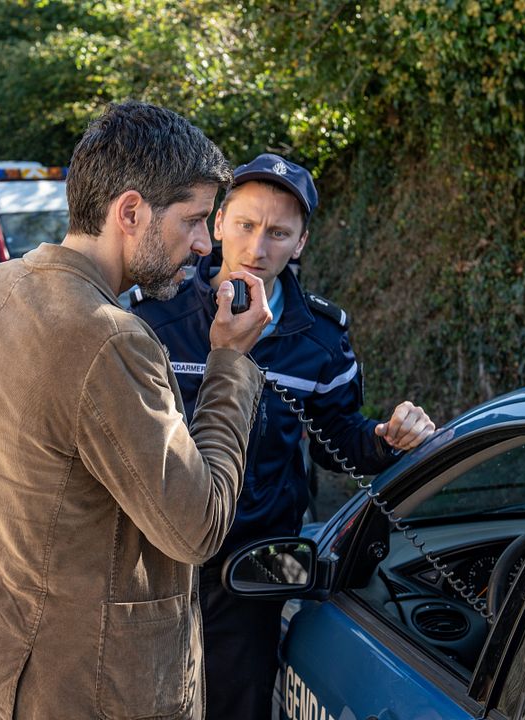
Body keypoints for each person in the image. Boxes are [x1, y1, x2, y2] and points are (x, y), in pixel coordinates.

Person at [0, 101, 273, 720]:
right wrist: (231, 362)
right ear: (130, 211)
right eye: (193, 219)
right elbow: (197, 527)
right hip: (84, 690)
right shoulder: (109, 337)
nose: (203, 242)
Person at [132, 153, 436, 719]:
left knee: (239, 702)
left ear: (299, 244)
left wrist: (389, 438)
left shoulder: (322, 337)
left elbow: (336, 443)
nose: (257, 247)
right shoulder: (154, 315)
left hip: (258, 560)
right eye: (245, 225)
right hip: (156, 553)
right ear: (218, 223)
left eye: (278, 233)